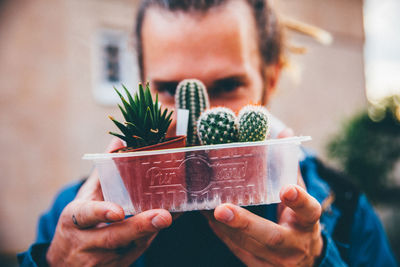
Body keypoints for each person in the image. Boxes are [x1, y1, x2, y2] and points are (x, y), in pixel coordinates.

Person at [18, 0, 397, 266]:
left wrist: (320, 262)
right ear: (143, 87)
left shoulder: (342, 209)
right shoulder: (74, 220)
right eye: (169, 89)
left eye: (229, 85)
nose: (198, 122)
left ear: (272, 79)